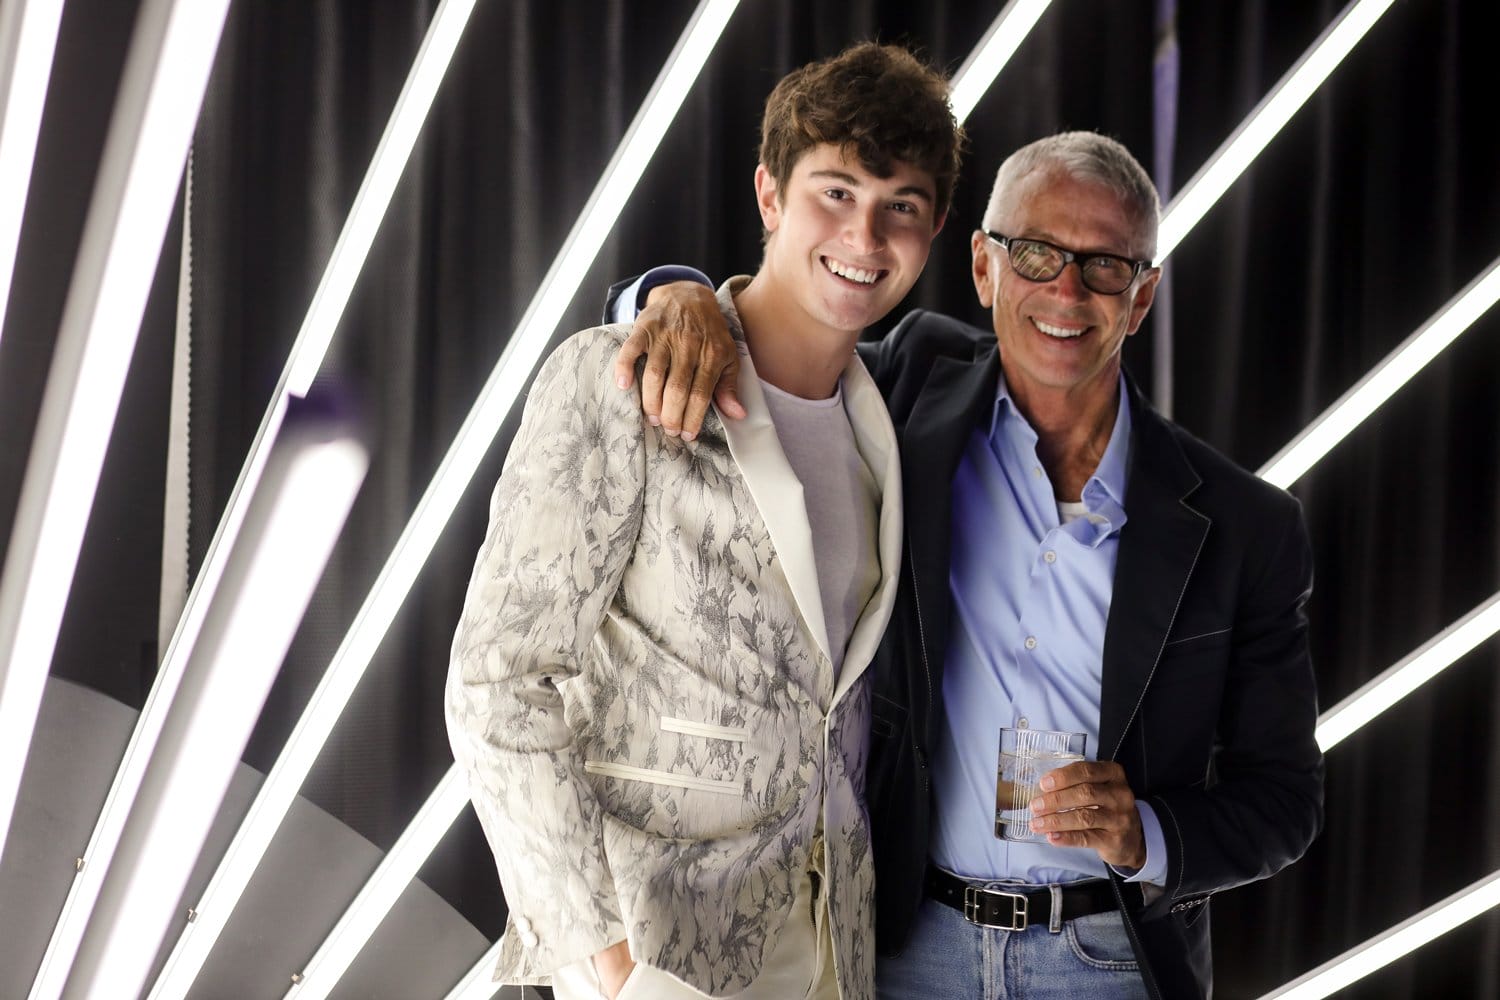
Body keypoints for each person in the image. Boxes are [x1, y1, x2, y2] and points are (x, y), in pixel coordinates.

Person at [608, 131, 1324, 999]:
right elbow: (771, 342)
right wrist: (674, 293)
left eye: (1105, 267)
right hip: (910, 945)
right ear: (985, 267)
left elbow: (1286, 801)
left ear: (1142, 298)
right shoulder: (910, 390)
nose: (1067, 291)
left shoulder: (1246, 526)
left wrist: (1148, 833)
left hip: (1105, 962)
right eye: (1037, 254)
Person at [446, 43, 964, 1000]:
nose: (865, 235)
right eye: (836, 192)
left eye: (902, 206)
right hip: (654, 951)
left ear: (933, 231)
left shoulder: (886, 418)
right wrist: (609, 968)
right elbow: (496, 685)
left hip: (832, 954)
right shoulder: (621, 379)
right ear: (769, 195)